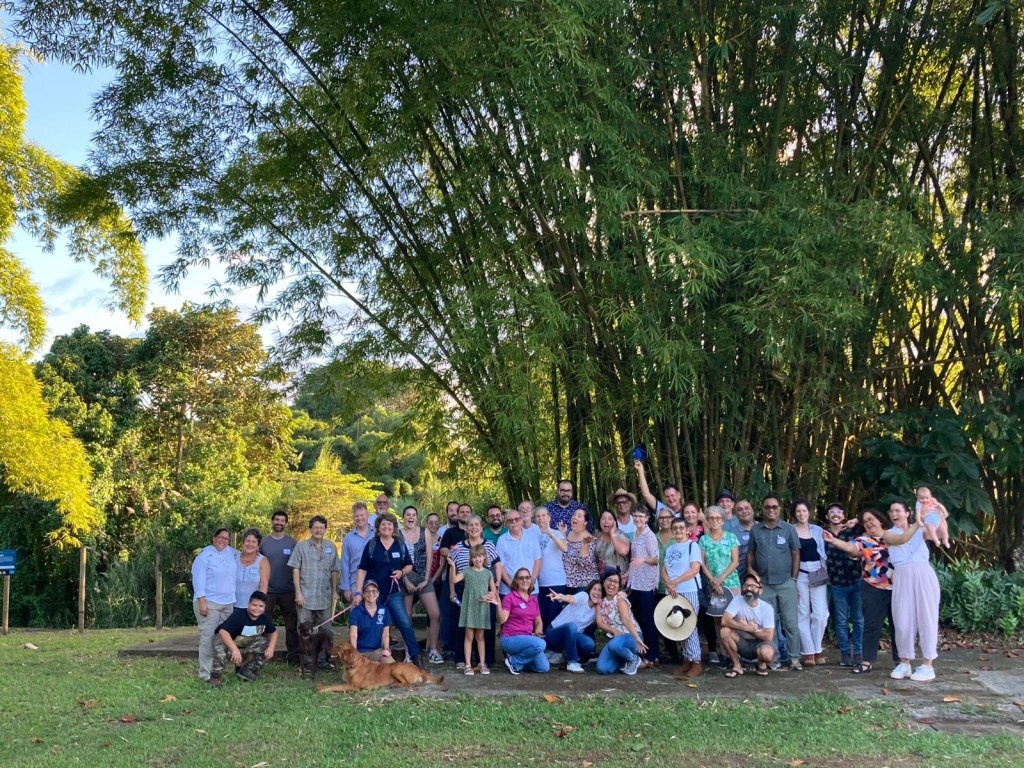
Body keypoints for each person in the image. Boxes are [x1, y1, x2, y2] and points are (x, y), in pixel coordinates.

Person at [823, 507, 921, 674]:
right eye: (865, 521)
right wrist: (834, 541)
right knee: (871, 624)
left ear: (880, 520)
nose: (868, 523)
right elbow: (851, 548)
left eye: (871, 519)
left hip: (899, 586)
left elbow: (908, 538)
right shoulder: (863, 540)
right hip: (873, 587)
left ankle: (901, 661)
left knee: (900, 625)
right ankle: (867, 661)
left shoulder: (894, 535)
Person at [353, 512, 422, 667]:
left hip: (394, 593)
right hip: (373, 595)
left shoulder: (399, 544)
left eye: (389, 524)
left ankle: (416, 657)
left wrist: (401, 572)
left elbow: (409, 565)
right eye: (383, 524)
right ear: (378, 527)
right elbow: (362, 569)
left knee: (404, 623)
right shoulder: (372, 545)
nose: (386, 527)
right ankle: (371, 659)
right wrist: (358, 593)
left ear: (394, 527)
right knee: (374, 625)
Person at [888, 501, 942, 682]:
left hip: (923, 574)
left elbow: (939, 533)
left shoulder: (921, 529)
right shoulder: (888, 533)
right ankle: (904, 663)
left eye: (898, 510)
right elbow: (902, 539)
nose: (894, 514)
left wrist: (935, 511)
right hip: (902, 576)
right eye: (891, 511)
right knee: (902, 621)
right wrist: (919, 522)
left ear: (907, 513)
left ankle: (928, 665)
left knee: (927, 619)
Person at [746, 495, 802, 670]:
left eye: (774, 507)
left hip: (786, 583)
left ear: (779, 509)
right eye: (767, 507)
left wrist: (794, 578)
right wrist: (751, 570)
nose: (771, 510)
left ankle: (794, 658)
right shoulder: (756, 530)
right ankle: (773, 658)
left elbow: (795, 554)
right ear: (762, 509)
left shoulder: (789, 529)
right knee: (769, 624)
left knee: (790, 623)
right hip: (764, 584)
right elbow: (751, 552)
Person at [448, 514, 503, 668]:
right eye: (470, 525)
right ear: (466, 528)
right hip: (464, 589)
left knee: (485, 625)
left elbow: (497, 566)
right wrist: (452, 591)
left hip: (485, 588)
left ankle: (484, 661)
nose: (473, 528)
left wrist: (496, 587)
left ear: (481, 527)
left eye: (476, 525)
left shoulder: (489, 545)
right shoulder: (458, 546)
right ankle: (462, 659)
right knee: (464, 626)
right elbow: (452, 568)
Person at [288, 515, 340, 668]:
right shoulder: (301, 546)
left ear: (325, 529)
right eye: (315, 527)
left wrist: (335, 591)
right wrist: (298, 593)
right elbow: (295, 569)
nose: (318, 530)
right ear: (310, 529)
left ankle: (323, 660)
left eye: (321, 528)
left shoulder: (330, 546)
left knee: (326, 630)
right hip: (305, 596)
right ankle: (308, 662)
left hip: (324, 596)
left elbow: (334, 570)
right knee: (305, 630)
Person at [192, 527, 237, 682]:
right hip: (209, 602)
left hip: (228, 602)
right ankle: (205, 673)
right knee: (208, 638)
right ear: (214, 537)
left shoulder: (231, 553)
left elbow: (248, 555)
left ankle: (218, 670)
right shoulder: (204, 555)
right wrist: (202, 601)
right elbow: (198, 579)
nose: (223, 541)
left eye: (226, 538)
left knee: (223, 638)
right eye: (220, 537)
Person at [699, 505, 741, 666]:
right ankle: (725, 654)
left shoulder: (731, 537)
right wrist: (713, 581)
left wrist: (721, 578)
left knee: (733, 619)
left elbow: (735, 561)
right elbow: (702, 563)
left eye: (718, 518)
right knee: (718, 620)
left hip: (732, 583)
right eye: (711, 518)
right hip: (713, 586)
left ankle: (736, 653)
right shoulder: (704, 540)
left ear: (723, 520)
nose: (715, 520)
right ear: (707, 520)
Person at [823, 502, 864, 667]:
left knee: (858, 619)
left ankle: (859, 653)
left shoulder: (853, 531)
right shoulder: (822, 534)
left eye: (839, 511)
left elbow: (873, 520)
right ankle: (845, 654)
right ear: (827, 516)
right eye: (831, 511)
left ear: (844, 515)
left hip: (856, 580)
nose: (835, 514)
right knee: (840, 621)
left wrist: (856, 520)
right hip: (837, 583)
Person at [663, 516, 704, 676]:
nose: (678, 530)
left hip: (688, 589)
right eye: (675, 528)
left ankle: (696, 661)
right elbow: (664, 569)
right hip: (673, 592)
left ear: (687, 530)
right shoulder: (670, 548)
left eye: (681, 528)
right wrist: (669, 584)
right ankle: (687, 659)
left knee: (689, 625)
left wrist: (675, 582)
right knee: (678, 625)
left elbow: (694, 569)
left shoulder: (692, 546)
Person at [401, 505, 442, 664]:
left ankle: (433, 650)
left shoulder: (424, 532)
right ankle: (409, 653)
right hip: (406, 577)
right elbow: (397, 560)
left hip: (423, 576)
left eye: (413, 515)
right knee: (407, 617)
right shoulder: (398, 534)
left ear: (417, 518)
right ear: (403, 517)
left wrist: (426, 579)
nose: (411, 517)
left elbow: (429, 556)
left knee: (435, 613)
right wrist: (405, 580)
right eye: (408, 514)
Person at [488, 568, 549, 674]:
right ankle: (514, 661)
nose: (525, 580)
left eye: (527, 577)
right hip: (510, 638)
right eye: (521, 578)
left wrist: (538, 632)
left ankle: (517, 661)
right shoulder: (510, 597)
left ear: (530, 580)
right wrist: (498, 605)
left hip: (527, 639)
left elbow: (538, 621)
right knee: (541, 644)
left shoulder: (533, 599)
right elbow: (502, 620)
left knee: (543, 667)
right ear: (516, 581)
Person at [210, 590, 277, 687]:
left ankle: (247, 670)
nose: (257, 609)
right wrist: (234, 649)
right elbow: (223, 632)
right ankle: (215, 677)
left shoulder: (263, 618)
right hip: (226, 640)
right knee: (220, 653)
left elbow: (274, 632)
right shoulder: (239, 616)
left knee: (265, 645)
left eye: (261, 606)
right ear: (248, 604)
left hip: (244, 641)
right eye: (254, 605)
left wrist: (271, 647)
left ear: (264, 607)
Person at [259, 509, 300, 665]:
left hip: (288, 590)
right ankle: (261, 654)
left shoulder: (293, 543)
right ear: (272, 521)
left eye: (282, 520)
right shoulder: (263, 543)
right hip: (267, 591)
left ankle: (293, 656)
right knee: (263, 624)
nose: (279, 523)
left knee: (291, 625)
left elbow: (298, 566)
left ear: (286, 523)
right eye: (277, 520)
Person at [450, 545, 498, 675]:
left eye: (480, 556)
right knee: (469, 636)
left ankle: (482, 663)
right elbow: (454, 579)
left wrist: (489, 596)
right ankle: (468, 665)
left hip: (482, 608)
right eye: (475, 557)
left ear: (484, 557)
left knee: (480, 637)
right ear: (471, 558)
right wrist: (453, 566)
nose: (478, 559)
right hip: (469, 607)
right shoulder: (466, 571)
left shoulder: (488, 573)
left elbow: (493, 591)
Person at [792, 500, 829, 667]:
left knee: (821, 614)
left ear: (809, 512)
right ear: (795, 514)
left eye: (804, 510)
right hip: (799, 573)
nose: (801, 514)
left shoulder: (817, 530)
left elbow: (834, 535)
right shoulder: (790, 530)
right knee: (802, 612)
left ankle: (817, 647)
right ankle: (809, 652)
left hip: (817, 572)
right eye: (798, 511)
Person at [720, 573, 776, 677]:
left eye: (753, 586)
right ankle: (737, 666)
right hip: (741, 642)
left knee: (767, 654)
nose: (749, 588)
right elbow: (724, 620)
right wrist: (745, 627)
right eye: (746, 585)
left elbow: (768, 636)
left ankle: (761, 663)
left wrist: (750, 630)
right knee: (724, 631)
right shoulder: (737, 600)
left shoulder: (767, 608)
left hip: (761, 643)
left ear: (760, 590)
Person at [595, 567, 647, 675]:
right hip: (616, 639)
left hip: (632, 636)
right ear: (603, 582)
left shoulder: (620, 600)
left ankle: (634, 659)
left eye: (615, 582)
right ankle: (625, 660)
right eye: (609, 580)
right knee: (602, 669)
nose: (612, 584)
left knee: (614, 645)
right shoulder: (600, 601)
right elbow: (599, 623)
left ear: (619, 586)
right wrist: (612, 630)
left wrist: (637, 639)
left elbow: (626, 620)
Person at [627, 506, 660, 666]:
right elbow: (634, 560)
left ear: (647, 518)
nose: (638, 519)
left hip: (646, 584)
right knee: (639, 619)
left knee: (648, 621)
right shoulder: (635, 534)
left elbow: (656, 559)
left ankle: (652, 655)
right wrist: (627, 574)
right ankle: (644, 652)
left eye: (641, 516)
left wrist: (644, 559)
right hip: (635, 583)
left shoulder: (649, 535)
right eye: (635, 516)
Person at [545, 580, 601, 672]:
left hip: (571, 636)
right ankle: (572, 662)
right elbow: (571, 598)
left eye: (600, 590)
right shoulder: (584, 596)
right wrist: (561, 597)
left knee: (589, 644)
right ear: (589, 590)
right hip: (553, 632)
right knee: (571, 626)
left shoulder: (596, 610)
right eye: (594, 589)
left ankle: (564, 654)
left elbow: (602, 621)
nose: (596, 593)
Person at [534, 506, 568, 630]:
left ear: (549, 517)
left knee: (555, 618)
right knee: (543, 618)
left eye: (543, 515)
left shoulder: (557, 533)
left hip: (557, 582)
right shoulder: (536, 536)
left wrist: (550, 533)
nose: (541, 518)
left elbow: (565, 548)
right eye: (538, 516)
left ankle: (556, 642)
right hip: (540, 584)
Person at [496, 508, 542, 596]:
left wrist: (532, 581)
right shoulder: (501, 540)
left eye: (516, 519)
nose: (514, 522)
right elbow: (500, 565)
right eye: (510, 520)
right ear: (506, 524)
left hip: (531, 590)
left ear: (521, 521)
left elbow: (537, 559)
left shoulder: (532, 536)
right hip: (508, 591)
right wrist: (511, 585)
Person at [348, 579, 393, 662]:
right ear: (363, 594)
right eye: (367, 591)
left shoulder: (384, 610)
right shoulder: (356, 611)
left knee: (389, 662)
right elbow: (353, 634)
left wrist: (386, 649)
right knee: (353, 668)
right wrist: (354, 653)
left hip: (377, 651)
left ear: (378, 593)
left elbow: (385, 634)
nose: (371, 593)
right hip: (360, 652)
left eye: (374, 591)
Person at [341, 502, 373, 603]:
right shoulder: (348, 538)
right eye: (356, 516)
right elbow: (345, 564)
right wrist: (346, 588)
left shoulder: (377, 534)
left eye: (362, 515)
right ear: (353, 517)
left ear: (368, 515)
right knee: (357, 611)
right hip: (355, 583)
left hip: (375, 581)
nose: (359, 518)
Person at [233, 528, 270, 615]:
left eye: (254, 542)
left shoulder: (263, 561)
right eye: (248, 541)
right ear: (243, 542)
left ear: (258, 545)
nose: (250, 544)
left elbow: (264, 584)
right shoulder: (234, 557)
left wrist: (258, 606)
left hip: (252, 609)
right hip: (232, 606)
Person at [561, 508, 599, 590]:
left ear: (585, 522)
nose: (575, 517)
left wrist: (584, 544)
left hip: (585, 584)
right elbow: (568, 552)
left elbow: (584, 563)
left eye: (579, 516)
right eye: (574, 515)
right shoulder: (569, 533)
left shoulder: (589, 539)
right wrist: (563, 534)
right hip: (570, 583)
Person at [594, 510, 631, 579]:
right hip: (601, 579)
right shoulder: (596, 535)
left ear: (615, 522)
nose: (606, 521)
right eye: (603, 519)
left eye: (610, 519)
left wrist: (613, 533)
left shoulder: (621, 535)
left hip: (620, 579)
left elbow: (623, 551)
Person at [725, 499, 756, 580]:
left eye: (747, 508)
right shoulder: (731, 534)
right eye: (740, 510)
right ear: (736, 515)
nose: (744, 511)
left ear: (753, 511)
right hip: (740, 577)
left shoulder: (763, 528)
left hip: (764, 578)